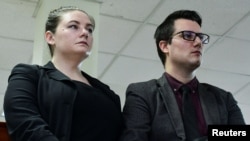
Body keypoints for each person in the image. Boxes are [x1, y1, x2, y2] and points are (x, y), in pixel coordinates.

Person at [119, 10, 245, 141]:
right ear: (164, 46)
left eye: (200, 37)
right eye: (188, 35)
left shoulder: (223, 99)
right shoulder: (143, 94)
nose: (198, 42)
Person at [4, 6, 123, 141]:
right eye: (73, 26)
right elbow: (25, 125)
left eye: (89, 29)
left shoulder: (108, 94)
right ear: (50, 37)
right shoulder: (29, 76)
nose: (85, 33)